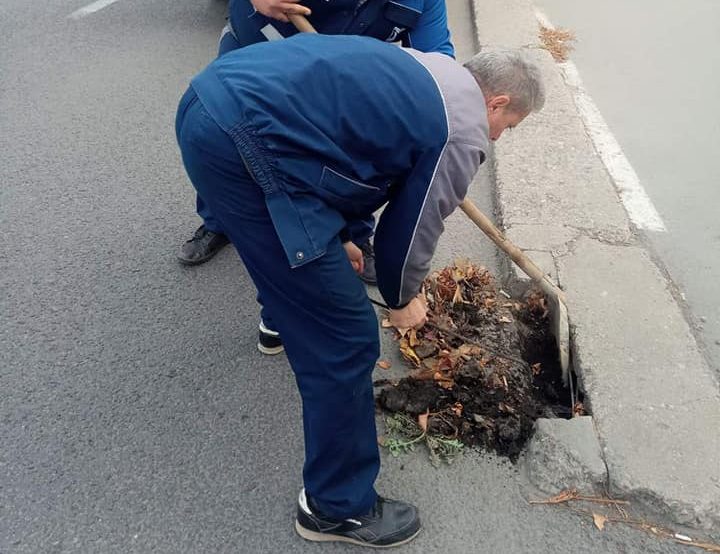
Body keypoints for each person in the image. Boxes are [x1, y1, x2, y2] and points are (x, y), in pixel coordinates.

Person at [175, 34, 544, 547]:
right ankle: (335, 508)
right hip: (243, 144)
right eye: (510, 125)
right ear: (497, 102)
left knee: (304, 263)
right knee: (346, 338)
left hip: (211, 105)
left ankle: (279, 319)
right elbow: (411, 229)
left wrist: (342, 235)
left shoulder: (428, 70)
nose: (500, 137)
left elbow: (349, 152)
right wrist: (401, 297)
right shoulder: (464, 132)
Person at [177, 0, 455, 288]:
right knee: (232, 142)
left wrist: (452, 106)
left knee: (353, 153)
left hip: (333, 81)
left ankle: (355, 234)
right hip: (257, 53)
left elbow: (437, 63)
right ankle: (218, 221)